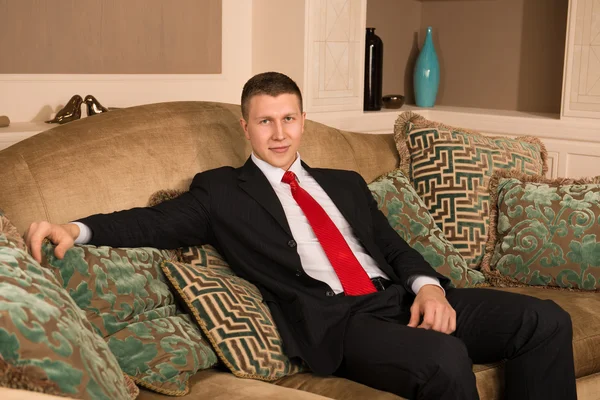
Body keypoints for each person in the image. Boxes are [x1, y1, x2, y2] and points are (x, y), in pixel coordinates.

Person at [25, 72, 577, 400]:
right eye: (265, 122)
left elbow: (393, 247)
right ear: (245, 128)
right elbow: (152, 224)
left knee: (545, 319)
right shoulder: (222, 192)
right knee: (444, 358)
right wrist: (76, 228)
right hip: (340, 322)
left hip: (399, 296)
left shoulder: (347, 183)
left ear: (303, 121)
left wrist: (429, 286)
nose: (279, 133)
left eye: (288, 119)